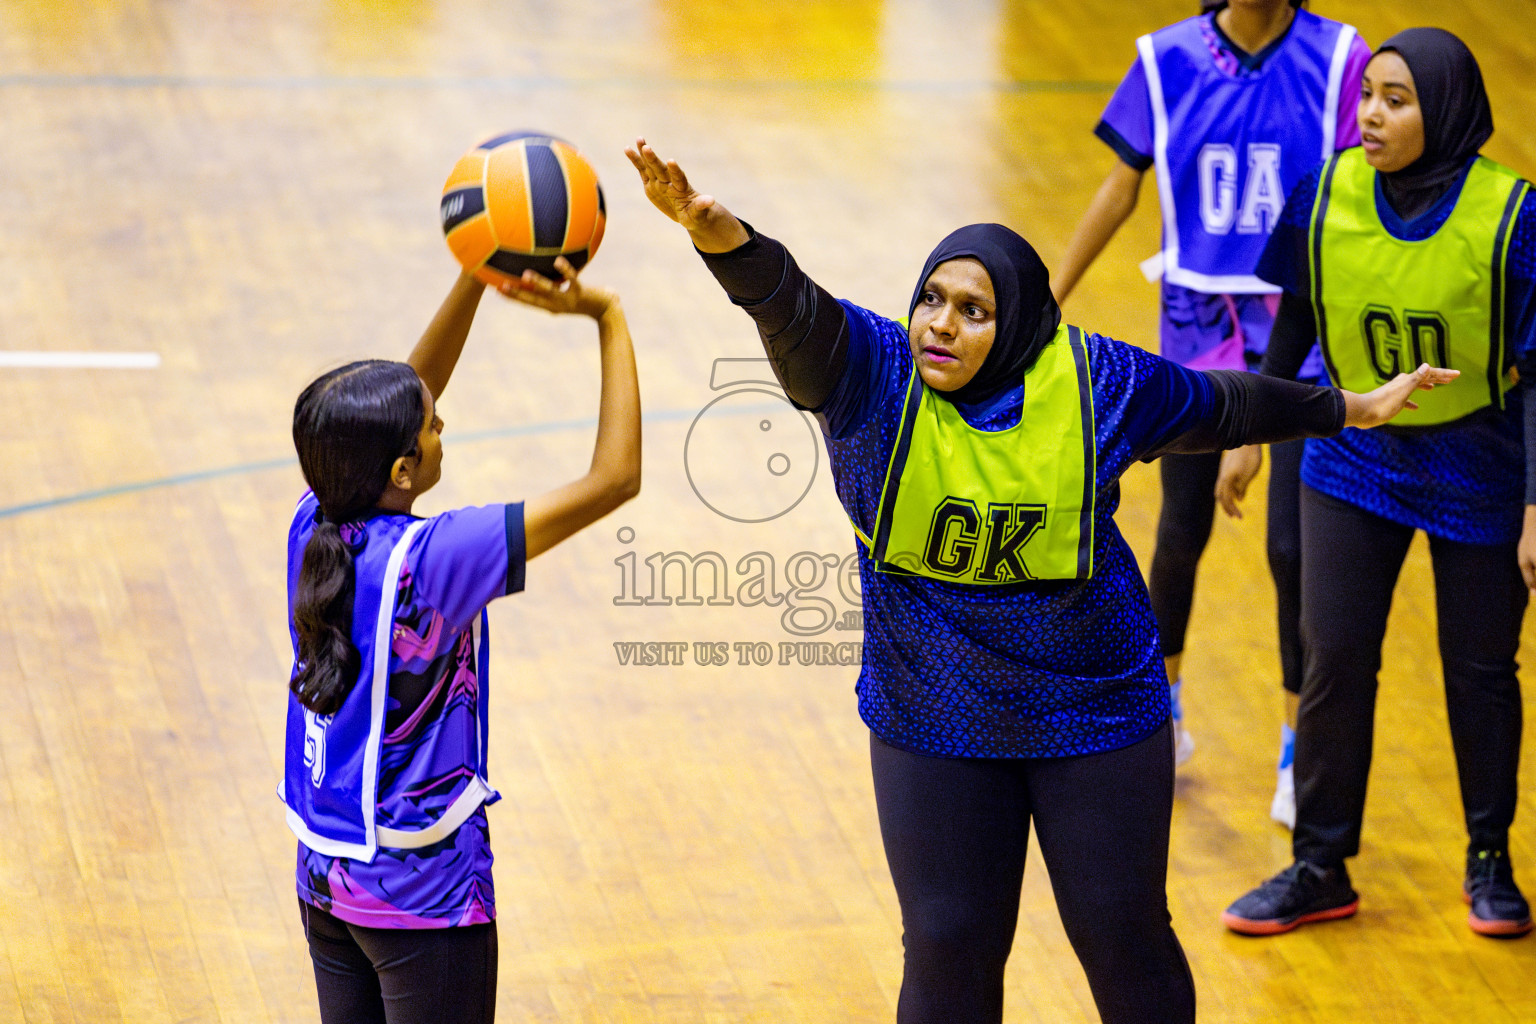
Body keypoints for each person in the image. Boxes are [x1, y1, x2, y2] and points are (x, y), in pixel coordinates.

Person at [626, 138, 1453, 1024]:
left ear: (1017, 322)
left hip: (1094, 708)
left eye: (973, 310)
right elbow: (785, 304)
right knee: (945, 945)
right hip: (933, 711)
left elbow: (1223, 405)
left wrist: (1349, 407)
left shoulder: (1098, 382)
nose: (941, 323)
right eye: (931, 299)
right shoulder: (868, 374)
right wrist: (719, 237)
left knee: (1123, 939)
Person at [1220, 27, 1535, 939]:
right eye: (1367, 96)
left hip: (1478, 460)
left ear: (1446, 112)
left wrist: (1534, 506)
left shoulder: (1511, 217)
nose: (1371, 116)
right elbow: (1297, 321)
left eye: (1397, 100)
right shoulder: (1325, 193)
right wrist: (1252, 429)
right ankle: (1318, 865)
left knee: (1480, 672)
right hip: (1355, 457)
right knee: (1335, 661)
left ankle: (1490, 859)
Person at [280, 260, 641, 1023]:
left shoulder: (314, 521)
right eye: (433, 426)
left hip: (327, 883)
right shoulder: (440, 558)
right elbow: (614, 479)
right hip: (426, 897)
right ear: (405, 468)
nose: (444, 424)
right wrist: (608, 316)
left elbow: (400, 397)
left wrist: (476, 274)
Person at [1054, 0, 1372, 821]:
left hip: (1302, 327)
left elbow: (1355, 204)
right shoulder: (1166, 60)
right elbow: (1119, 188)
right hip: (1198, 332)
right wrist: (1043, 301)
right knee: (1179, 532)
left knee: (1293, 549)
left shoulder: (1338, 58)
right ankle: (1163, 717)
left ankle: (1299, 749)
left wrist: (1260, 426)